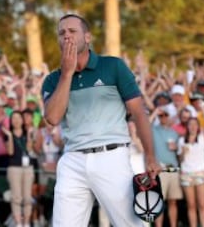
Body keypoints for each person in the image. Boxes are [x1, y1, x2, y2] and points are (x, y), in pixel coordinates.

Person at [41, 14, 160, 227]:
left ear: (87, 37)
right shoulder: (53, 79)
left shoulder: (113, 66)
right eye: (61, 33)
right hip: (72, 159)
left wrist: (151, 156)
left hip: (111, 157)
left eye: (72, 31)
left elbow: (139, 113)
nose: (66, 36)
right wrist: (66, 74)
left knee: (130, 224)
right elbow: (52, 117)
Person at [1, 110, 41, 227]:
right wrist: (9, 136)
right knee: (16, 196)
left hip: (27, 168)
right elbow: (10, 152)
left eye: (19, 118)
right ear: (11, 121)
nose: (17, 120)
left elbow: (29, 149)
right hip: (14, 168)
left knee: (27, 196)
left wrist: (29, 135)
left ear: (22, 120)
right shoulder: (8, 134)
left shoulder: (27, 132)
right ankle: (18, 222)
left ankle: (26, 222)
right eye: (14, 118)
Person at [177, 101, 204, 227]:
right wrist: (183, 153)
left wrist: (203, 109)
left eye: (194, 124)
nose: (192, 126)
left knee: (202, 204)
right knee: (191, 205)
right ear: (187, 126)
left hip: (200, 172)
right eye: (190, 124)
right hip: (186, 173)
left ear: (197, 127)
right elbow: (180, 159)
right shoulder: (181, 140)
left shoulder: (202, 138)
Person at [151, 106, 182, 227]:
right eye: (161, 116)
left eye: (165, 115)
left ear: (170, 117)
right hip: (161, 170)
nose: (163, 117)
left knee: (173, 201)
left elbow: (180, 153)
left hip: (173, 169)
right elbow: (146, 125)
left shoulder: (175, 133)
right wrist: (155, 112)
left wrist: (177, 148)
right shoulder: (154, 129)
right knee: (159, 202)